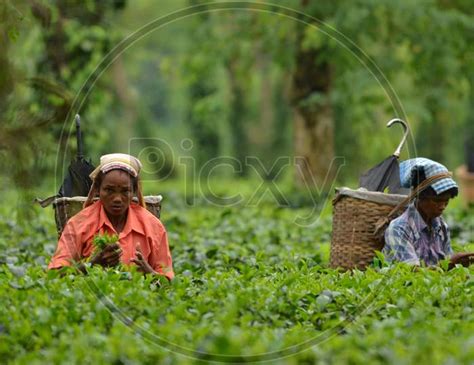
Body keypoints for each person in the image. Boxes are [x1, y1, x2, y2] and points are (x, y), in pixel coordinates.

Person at [48, 153, 174, 280]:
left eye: (125, 191)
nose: (117, 199)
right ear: (97, 189)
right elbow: (55, 275)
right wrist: (92, 264)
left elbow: (167, 281)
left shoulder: (152, 226)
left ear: (134, 191)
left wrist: (149, 272)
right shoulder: (79, 223)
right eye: (109, 190)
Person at [383, 158, 473, 268]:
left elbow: (446, 268)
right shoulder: (399, 228)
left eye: (446, 201)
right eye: (437, 201)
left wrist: (459, 264)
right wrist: (450, 263)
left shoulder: (441, 226)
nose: (442, 206)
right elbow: (412, 274)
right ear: (420, 197)